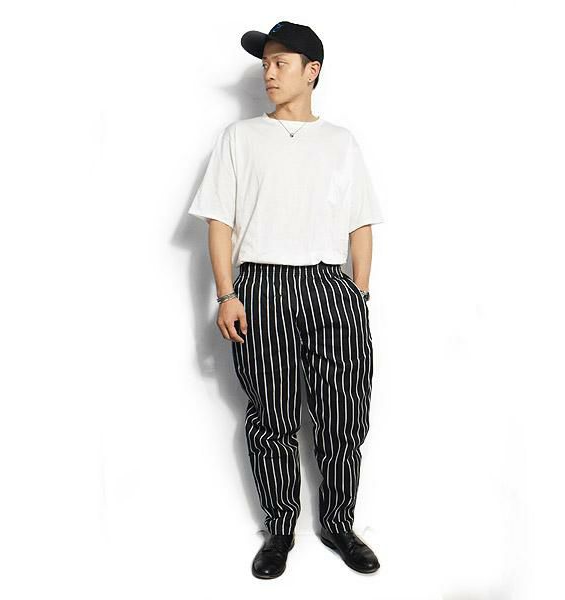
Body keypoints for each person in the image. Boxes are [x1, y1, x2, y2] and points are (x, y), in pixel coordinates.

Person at [188, 20, 384, 579]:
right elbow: (220, 221)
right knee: (270, 416)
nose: (268, 73)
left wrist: (359, 294)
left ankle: (339, 523)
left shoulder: (341, 142)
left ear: (311, 70)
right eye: (265, 64)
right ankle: (279, 528)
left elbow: (361, 224)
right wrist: (226, 294)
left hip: (330, 287)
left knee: (344, 415)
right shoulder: (240, 138)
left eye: (280, 63)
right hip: (261, 287)